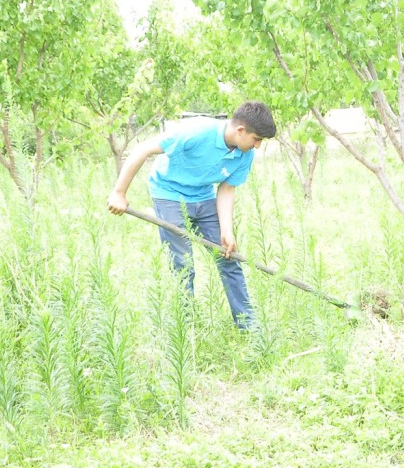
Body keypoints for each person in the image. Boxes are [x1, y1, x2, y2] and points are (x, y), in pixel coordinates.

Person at [106, 102, 277, 329]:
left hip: (203, 196)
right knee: (183, 264)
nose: (257, 146)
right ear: (240, 131)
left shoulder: (243, 155)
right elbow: (143, 149)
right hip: (169, 193)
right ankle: (186, 328)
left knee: (229, 258)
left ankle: (248, 325)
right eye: (256, 139)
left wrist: (226, 231)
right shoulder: (196, 132)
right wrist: (119, 193)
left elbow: (226, 188)